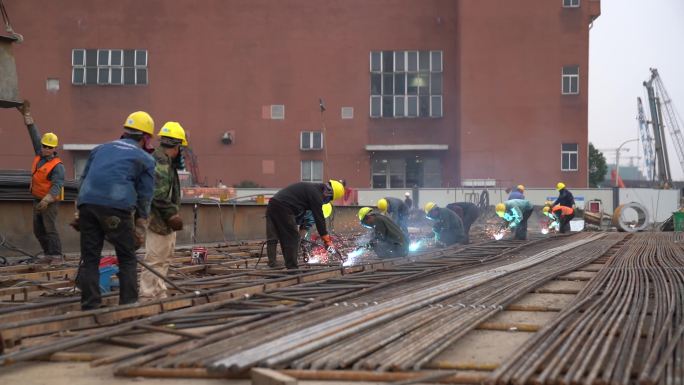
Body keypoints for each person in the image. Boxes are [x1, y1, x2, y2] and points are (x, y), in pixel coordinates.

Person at [76, 111, 156, 310]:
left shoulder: (100, 149)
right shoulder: (145, 159)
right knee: (127, 257)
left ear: (125, 132)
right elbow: (145, 195)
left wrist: (79, 210)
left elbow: (83, 180)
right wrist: (140, 224)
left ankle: (90, 305)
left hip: (87, 206)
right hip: (116, 208)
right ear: (146, 138)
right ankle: (128, 305)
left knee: (90, 257)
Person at [140, 122, 188, 300]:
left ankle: (159, 293)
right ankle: (147, 297)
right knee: (154, 260)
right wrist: (172, 215)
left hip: (163, 222)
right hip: (158, 220)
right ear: (176, 146)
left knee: (164, 259)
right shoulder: (160, 162)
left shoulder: (166, 162)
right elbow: (158, 194)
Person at [17, 101, 66, 264]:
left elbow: (57, 186)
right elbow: (35, 136)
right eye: (44, 145)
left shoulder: (57, 166)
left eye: (48, 147)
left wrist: (47, 200)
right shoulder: (39, 154)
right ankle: (48, 254)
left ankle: (57, 255)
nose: (44, 148)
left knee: (49, 227)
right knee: (38, 229)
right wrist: (27, 117)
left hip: (50, 201)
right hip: (37, 198)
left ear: (54, 149)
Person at [266, 180, 344, 269]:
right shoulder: (316, 194)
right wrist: (326, 240)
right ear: (328, 193)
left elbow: (302, 222)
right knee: (292, 238)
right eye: (330, 199)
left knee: (272, 237)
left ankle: (272, 263)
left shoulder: (310, 190)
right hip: (284, 208)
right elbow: (319, 218)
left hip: (272, 204)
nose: (327, 201)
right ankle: (292, 268)